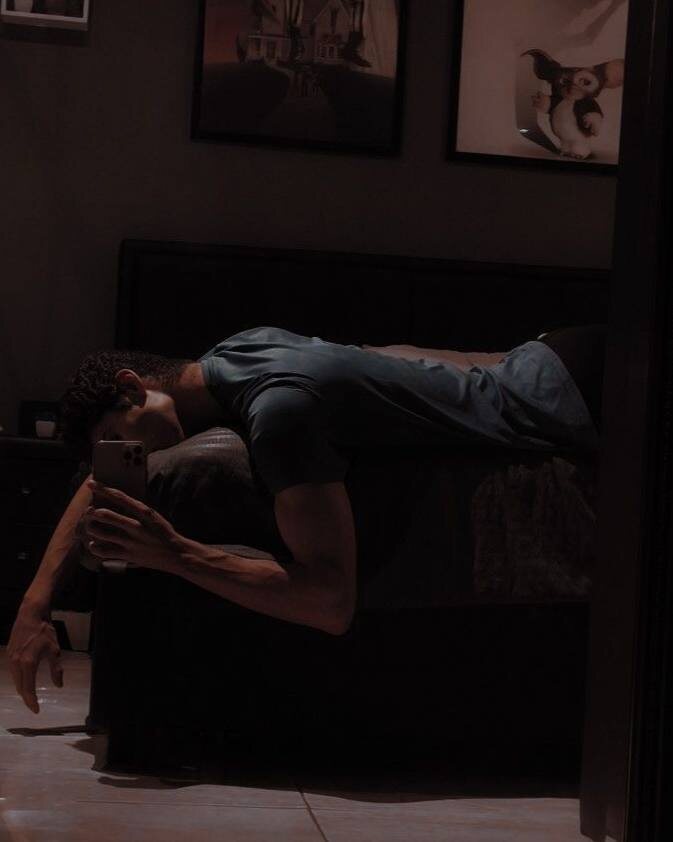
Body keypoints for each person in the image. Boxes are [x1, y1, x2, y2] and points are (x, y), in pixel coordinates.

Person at [7, 324, 606, 714]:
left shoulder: (281, 416)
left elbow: (330, 602)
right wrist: (34, 605)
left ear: (133, 387)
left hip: (580, 393)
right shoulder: (233, 355)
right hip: (551, 357)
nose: (127, 459)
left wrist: (174, 553)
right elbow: (97, 483)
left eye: (118, 439)